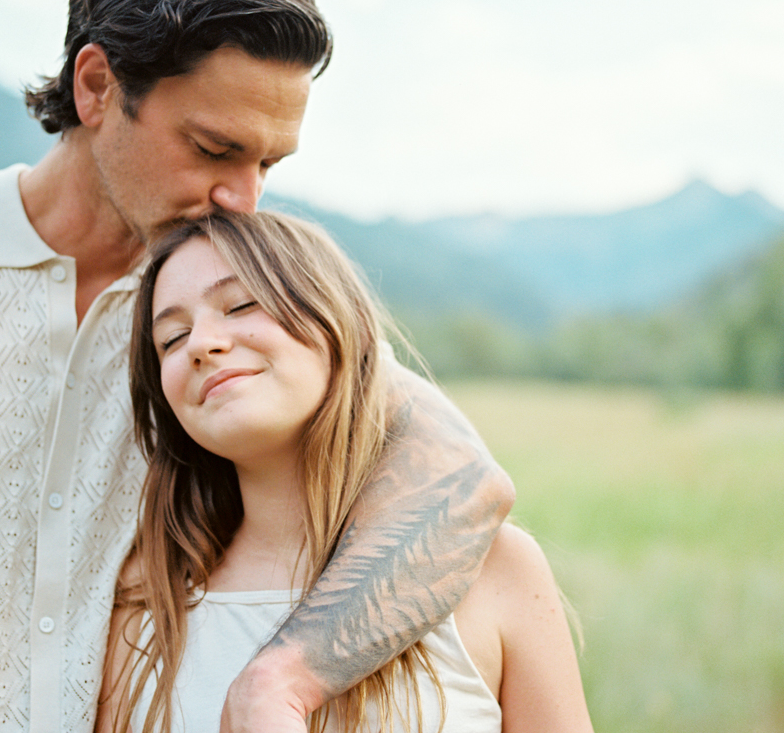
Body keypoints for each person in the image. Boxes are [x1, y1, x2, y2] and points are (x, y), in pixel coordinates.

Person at [0, 0, 513, 732]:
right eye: (213, 147)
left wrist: (281, 680)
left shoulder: (234, 326)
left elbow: (464, 481)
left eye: (267, 164)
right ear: (95, 87)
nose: (244, 199)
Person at [97, 211, 593, 733]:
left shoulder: (494, 568)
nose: (202, 344)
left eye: (241, 304)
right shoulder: (147, 598)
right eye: (172, 339)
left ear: (334, 320)